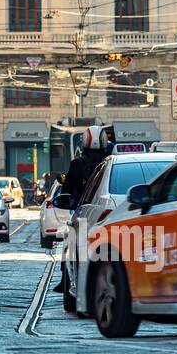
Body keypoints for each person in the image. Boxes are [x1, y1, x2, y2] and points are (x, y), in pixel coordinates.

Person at [53, 125, 113, 293]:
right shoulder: (110, 162)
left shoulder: (77, 164)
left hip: (83, 213)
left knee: (69, 244)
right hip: (107, 213)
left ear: (85, 141)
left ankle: (66, 279)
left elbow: (66, 191)